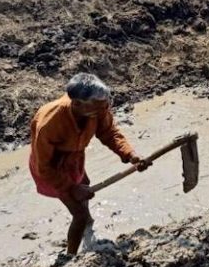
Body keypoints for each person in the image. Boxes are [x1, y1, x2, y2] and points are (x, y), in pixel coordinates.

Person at [29, 73, 148, 255]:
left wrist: (130, 154)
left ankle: (89, 223)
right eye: (98, 109)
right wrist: (70, 186)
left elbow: (109, 133)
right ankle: (70, 257)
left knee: (84, 186)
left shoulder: (97, 108)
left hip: (75, 158)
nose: (103, 111)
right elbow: (43, 166)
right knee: (79, 214)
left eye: (104, 107)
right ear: (77, 104)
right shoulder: (50, 122)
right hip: (53, 168)